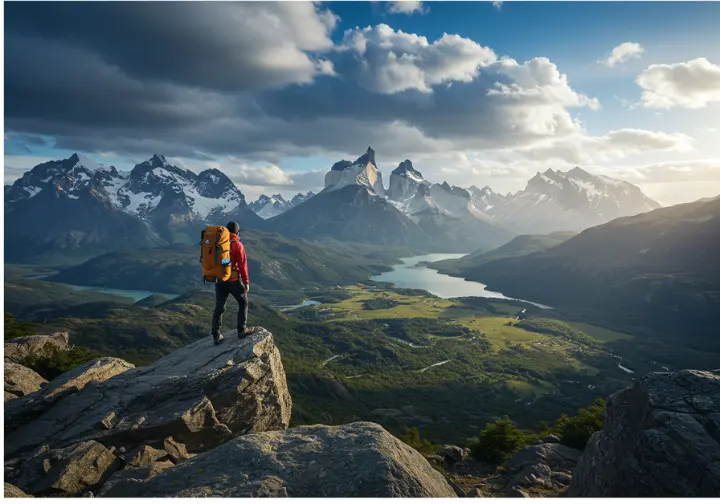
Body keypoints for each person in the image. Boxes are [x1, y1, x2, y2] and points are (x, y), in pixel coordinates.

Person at [211, 221, 256, 344]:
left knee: (219, 307)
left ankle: (216, 335)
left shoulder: (217, 242)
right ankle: (241, 330)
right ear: (237, 232)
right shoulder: (237, 245)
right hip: (233, 280)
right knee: (243, 302)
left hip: (219, 280)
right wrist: (246, 282)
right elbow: (242, 265)